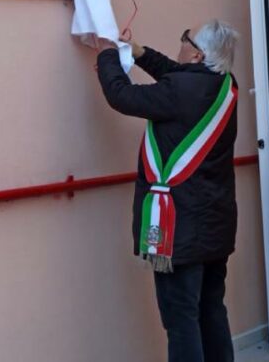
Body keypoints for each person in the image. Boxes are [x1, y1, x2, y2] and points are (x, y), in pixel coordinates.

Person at [95, 20, 239, 362]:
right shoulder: (224, 85)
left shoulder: (180, 90)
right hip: (215, 226)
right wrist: (140, 52)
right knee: (210, 309)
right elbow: (176, 73)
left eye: (183, 38)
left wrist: (107, 55)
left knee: (180, 319)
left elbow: (122, 96)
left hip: (180, 230)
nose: (181, 43)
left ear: (196, 53)